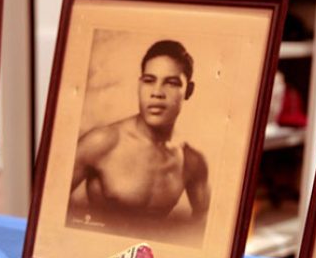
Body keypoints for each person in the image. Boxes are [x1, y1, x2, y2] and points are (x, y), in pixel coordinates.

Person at [69, 40, 210, 231]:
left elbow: (202, 226)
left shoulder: (192, 162)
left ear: (189, 91)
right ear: (140, 84)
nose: (157, 93)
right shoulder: (103, 142)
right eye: (149, 80)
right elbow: (48, 202)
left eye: (171, 83)